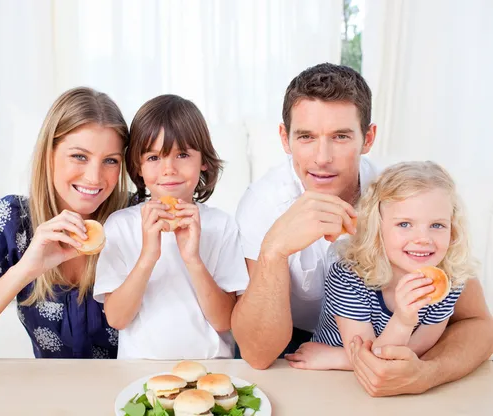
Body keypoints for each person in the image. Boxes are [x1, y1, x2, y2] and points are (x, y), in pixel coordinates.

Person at [231, 63, 493, 396]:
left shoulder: (401, 196)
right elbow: (257, 354)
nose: (322, 158)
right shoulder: (262, 205)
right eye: (306, 137)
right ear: (285, 139)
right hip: (291, 345)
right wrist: (274, 250)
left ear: (367, 138)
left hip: (389, 338)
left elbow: (478, 323)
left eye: (340, 136)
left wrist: (424, 375)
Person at [0, 87, 130, 364]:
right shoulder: (10, 222)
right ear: (49, 154)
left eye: (110, 161)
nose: (94, 177)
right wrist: (26, 270)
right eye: (79, 156)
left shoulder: (136, 218)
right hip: (47, 397)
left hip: (132, 394)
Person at [93, 94, 249, 359]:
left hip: (211, 370)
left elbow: (225, 322)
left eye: (183, 154)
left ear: (204, 162)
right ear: (138, 166)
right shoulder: (120, 226)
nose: (169, 169)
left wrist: (193, 259)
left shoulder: (221, 225)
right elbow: (117, 319)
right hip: (140, 373)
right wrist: (147, 257)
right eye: (154, 157)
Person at [288, 161, 474, 370]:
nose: (423, 238)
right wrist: (403, 320)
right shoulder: (349, 276)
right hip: (332, 380)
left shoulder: (448, 284)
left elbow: (410, 355)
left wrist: (336, 359)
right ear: (378, 228)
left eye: (437, 225)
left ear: (453, 229)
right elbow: (369, 360)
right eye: (404, 224)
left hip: (342, 366)